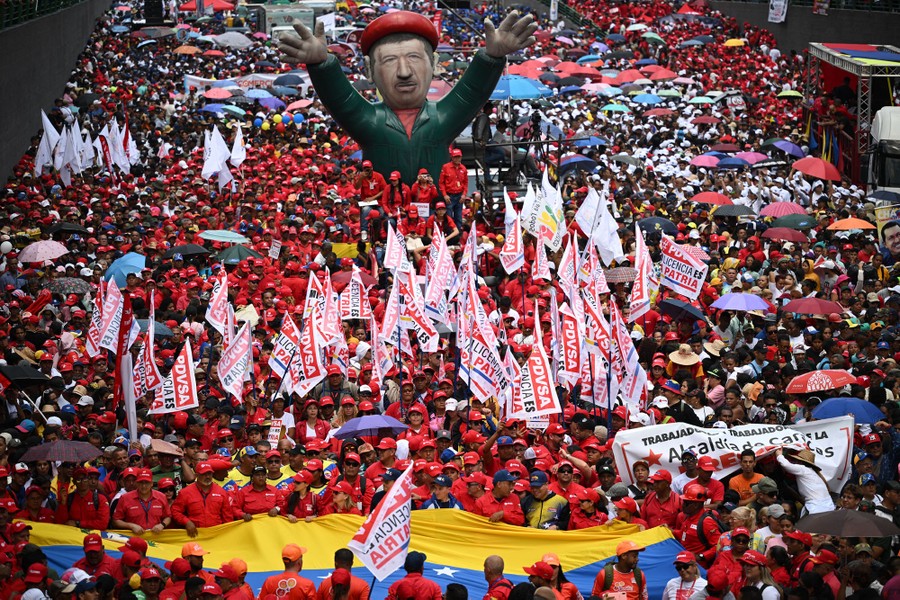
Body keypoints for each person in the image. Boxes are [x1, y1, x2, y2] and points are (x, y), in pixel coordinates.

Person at [279, 10, 537, 183]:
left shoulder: (442, 118)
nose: (403, 72)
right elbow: (341, 101)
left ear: (434, 64)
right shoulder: (371, 121)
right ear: (369, 70)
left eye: (414, 58)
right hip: (387, 218)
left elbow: (472, 92)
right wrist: (322, 65)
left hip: (438, 217)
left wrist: (492, 58)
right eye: (390, 61)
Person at [171, 462, 235, 536]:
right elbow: (175, 511)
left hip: (216, 534)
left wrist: (228, 533)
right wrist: (187, 522)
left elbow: (227, 517)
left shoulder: (221, 492)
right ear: (197, 475)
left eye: (209, 474)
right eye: (204, 474)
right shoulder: (185, 493)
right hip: (195, 534)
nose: (207, 476)